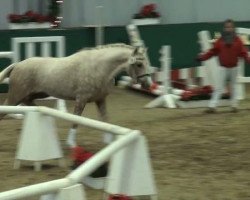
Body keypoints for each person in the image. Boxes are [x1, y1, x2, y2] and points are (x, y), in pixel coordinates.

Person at [197, 19, 250, 113]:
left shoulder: (238, 41)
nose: (228, 29)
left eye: (230, 27)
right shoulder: (220, 41)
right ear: (224, 28)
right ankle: (212, 107)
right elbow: (212, 52)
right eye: (226, 27)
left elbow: (244, 53)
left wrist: (248, 60)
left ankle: (234, 106)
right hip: (223, 67)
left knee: (234, 87)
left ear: (233, 28)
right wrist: (202, 57)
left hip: (234, 67)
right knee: (218, 87)